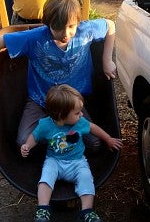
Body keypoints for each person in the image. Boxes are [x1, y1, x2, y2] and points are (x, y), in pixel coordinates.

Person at [0, 0, 116, 149]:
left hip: (71, 104)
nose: (65, 34)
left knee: (95, 144)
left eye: (71, 27)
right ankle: (56, 135)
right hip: (40, 100)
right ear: (48, 23)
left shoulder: (85, 31)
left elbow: (110, 26)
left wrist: (107, 60)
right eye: (58, 28)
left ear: (78, 22)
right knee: (22, 143)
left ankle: (59, 135)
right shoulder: (35, 38)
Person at [21, 84, 123, 222]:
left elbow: (93, 128)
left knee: (86, 178)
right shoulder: (45, 125)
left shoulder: (79, 122)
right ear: (60, 115)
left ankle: (87, 211)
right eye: (77, 112)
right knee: (45, 179)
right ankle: (43, 209)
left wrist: (108, 139)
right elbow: (35, 136)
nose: (81, 114)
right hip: (54, 161)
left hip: (77, 161)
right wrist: (27, 145)